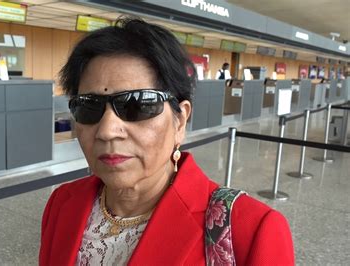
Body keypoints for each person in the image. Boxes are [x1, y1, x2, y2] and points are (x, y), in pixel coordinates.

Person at [39, 17, 294, 265]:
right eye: (89, 107)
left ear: (179, 121)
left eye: (138, 105)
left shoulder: (251, 230)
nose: (107, 130)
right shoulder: (62, 203)